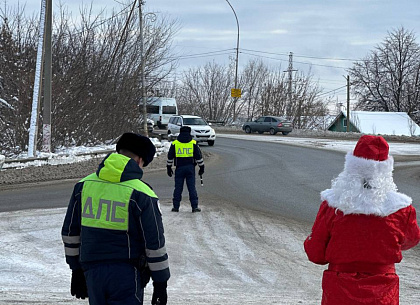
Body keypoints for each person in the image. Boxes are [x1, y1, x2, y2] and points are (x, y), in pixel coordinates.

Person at [304, 135, 420, 305]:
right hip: (383, 292)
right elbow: (411, 240)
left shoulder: (333, 205)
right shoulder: (401, 209)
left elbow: (316, 254)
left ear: (351, 167)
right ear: (385, 171)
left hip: (339, 289)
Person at [61, 132, 170, 305]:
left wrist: (76, 270)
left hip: (92, 271)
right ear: (140, 160)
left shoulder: (83, 185)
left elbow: (70, 233)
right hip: (127, 274)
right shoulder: (142, 193)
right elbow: (154, 241)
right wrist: (160, 282)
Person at [167, 126, 204, 212]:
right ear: (189, 133)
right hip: (190, 168)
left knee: (178, 188)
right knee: (191, 188)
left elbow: (170, 157)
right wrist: (201, 167)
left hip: (179, 168)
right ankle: (194, 207)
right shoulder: (193, 143)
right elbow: (199, 157)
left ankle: (176, 207)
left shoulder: (175, 143)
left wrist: (169, 167)